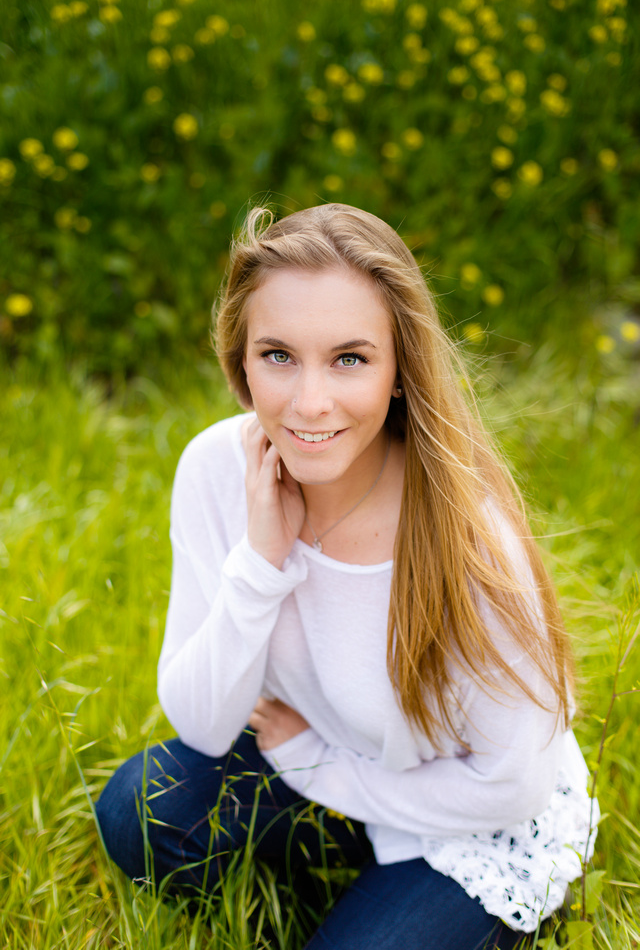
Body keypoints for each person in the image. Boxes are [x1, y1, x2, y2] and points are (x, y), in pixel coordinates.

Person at [96, 203, 597, 948]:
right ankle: (350, 884)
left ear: (400, 372)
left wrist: (319, 769)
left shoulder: (467, 534)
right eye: (278, 355)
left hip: (470, 823)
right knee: (139, 809)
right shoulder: (214, 470)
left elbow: (509, 785)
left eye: (350, 359)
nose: (308, 402)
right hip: (328, 762)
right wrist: (261, 565)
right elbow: (202, 726)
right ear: (239, 363)